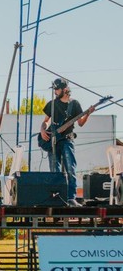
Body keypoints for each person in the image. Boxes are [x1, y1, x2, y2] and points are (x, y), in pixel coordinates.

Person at [40, 78, 95, 207]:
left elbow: (80, 123)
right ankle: (57, 198)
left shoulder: (74, 104)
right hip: (53, 140)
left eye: (57, 89)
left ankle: (71, 198)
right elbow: (46, 121)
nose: (55, 92)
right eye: (54, 89)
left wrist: (88, 114)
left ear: (65, 89)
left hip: (67, 140)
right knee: (55, 170)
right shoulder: (52, 104)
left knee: (71, 168)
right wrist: (42, 129)